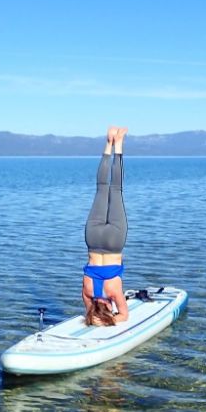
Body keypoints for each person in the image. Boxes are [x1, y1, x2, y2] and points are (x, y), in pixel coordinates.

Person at [82, 126, 130, 325]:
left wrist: (110, 320)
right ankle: (108, 143)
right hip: (92, 239)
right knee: (101, 189)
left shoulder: (113, 292)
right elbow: (88, 306)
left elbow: (124, 315)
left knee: (116, 190)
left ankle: (118, 145)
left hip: (114, 241)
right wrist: (94, 317)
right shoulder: (88, 290)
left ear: (108, 308)